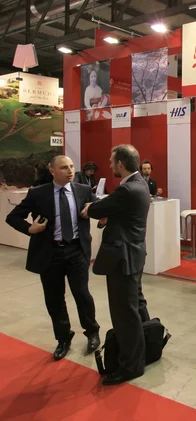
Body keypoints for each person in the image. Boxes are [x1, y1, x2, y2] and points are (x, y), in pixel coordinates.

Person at [6, 155, 100, 360]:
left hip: (76, 250)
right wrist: (30, 228)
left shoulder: (83, 190)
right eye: (64, 167)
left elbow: (99, 211)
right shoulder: (38, 193)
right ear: (52, 171)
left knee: (82, 294)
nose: (70, 171)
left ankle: (92, 331)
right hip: (50, 253)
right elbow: (12, 217)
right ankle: (63, 338)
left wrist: (95, 212)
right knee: (54, 299)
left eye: (72, 166)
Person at [82, 144, 151, 386]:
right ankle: (147, 349)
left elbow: (99, 208)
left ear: (120, 164)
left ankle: (131, 366)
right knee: (137, 307)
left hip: (123, 259)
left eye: (112, 162)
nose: (110, 166)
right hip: (134, 256)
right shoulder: (140, 184)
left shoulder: (127, 190)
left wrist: (91, 208)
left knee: (124, 314)